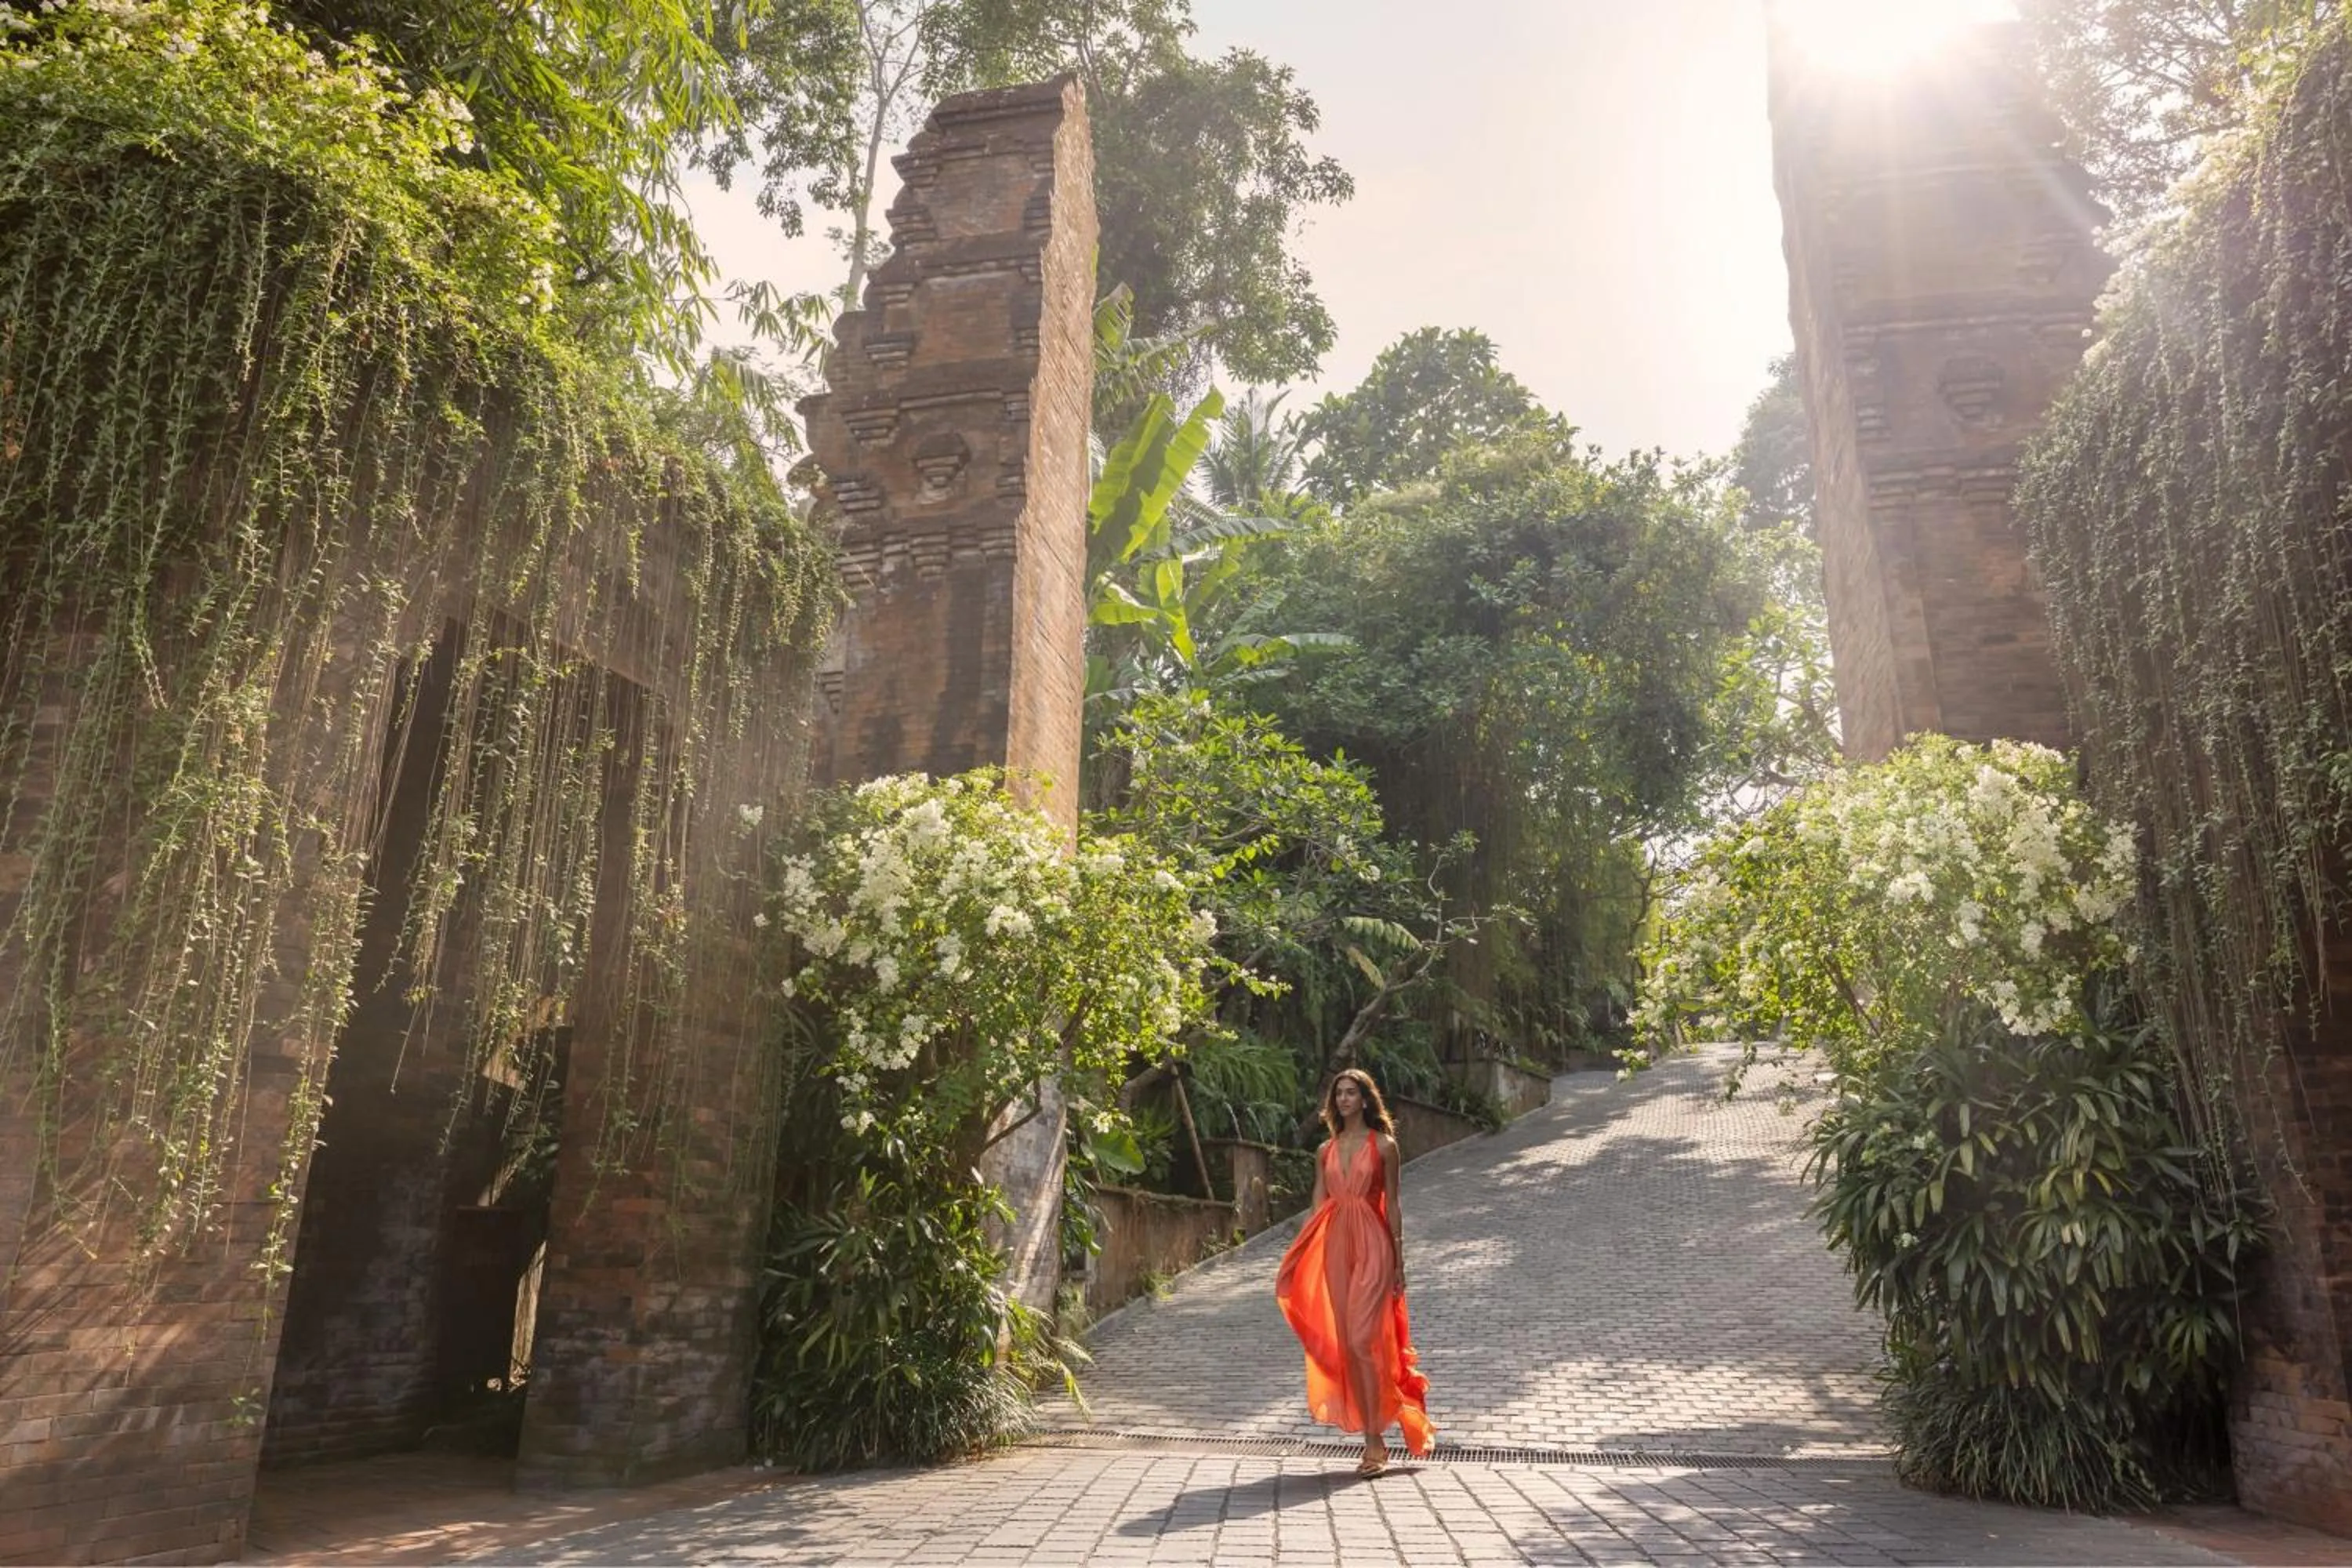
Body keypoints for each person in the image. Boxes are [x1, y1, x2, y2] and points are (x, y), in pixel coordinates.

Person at [1275, 1067, 1435, 1476]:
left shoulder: (1384, 1146)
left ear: (1365, 1100)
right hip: (1335, 1248)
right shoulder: (1324, 1151)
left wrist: (1399, 1259)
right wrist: (1303, 1254)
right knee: (1349, 1342)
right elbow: (1317, 1206)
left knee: (1364, 1339)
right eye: (1339, 1093)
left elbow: (1394, 1204)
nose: (1344, 1099)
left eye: (1351, 1093)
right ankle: (1373, 1435)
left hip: (1373, 1244)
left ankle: (1374, 1443)